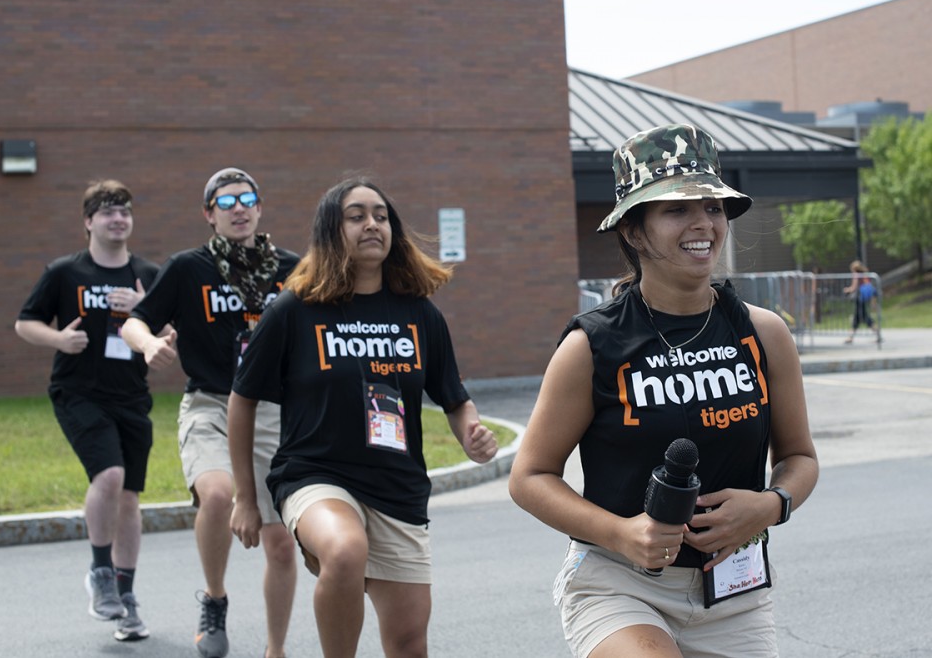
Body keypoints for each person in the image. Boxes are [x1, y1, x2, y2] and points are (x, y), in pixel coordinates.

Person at [508, 123, 819, 658]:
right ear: (633, 231)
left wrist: (771, 505)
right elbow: (529, 477)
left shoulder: (764, 334)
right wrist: (621, 534)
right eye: (677, 209)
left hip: (734, 594)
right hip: (619, 585)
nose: (703, 223)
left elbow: (799, 458)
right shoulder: (592, 346)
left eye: (714, 207)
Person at [228, 177, 499, 658]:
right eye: (356, 215)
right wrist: (245, 499)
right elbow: (242, 398)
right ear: (332, 230)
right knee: (345, 550)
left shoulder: (419, 315)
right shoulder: (296, 309)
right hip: (314, 476)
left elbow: (454, 398)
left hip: (398, 487)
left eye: (380, 215)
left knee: (409, 644)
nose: (372, 224)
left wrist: (470, 433)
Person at [121, 168, 300, 658]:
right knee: (219, 495)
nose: (238, 208)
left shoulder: (293, 271)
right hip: (210, 403)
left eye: (247, 199)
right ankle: (215, 599)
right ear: (209, 214)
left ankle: (275, 648)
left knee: (282, 543)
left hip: (272, 411)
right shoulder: (187, 268)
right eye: (226, 202)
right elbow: (135, 323)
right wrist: (149, 344)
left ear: (260, 208)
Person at [15, 179, 162, 642]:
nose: (117, 218)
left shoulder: (148, 274)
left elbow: (171, 334)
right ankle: (100, 572)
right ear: (88, 222)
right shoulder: (65, 272)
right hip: (78, 393)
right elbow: (25, 323)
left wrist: (145, 309)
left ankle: (125, 595)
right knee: (110, 476)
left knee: (131, 498)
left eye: (124, 211)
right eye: (106, 211)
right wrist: (59, 339)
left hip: (132, 397)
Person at [843, 259, 880, 344]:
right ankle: (850, 337)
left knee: (865, 318)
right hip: (863, 298)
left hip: (859, 298)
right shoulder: (865, 275)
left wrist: (847, 290)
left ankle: (877, 334)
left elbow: (854, 287)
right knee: (857, 318)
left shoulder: (856, 275)